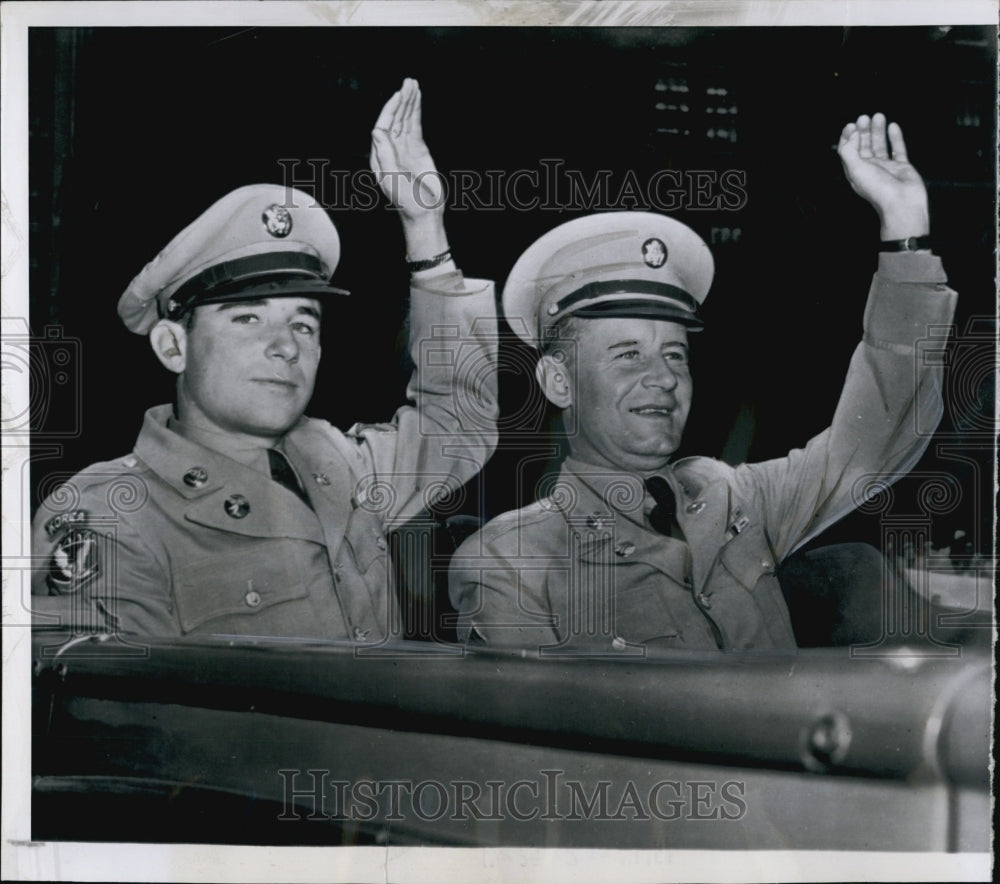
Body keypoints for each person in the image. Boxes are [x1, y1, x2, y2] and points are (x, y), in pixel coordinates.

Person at [449, 113, 957, 652]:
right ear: (558, 381)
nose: (664, 377)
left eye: (675, 353)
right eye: (627, 355)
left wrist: (905, 229)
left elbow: (873, 438)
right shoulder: (510, 563)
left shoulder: (734, 496)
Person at [32, 79, 498, 642]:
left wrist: (426, 232)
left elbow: (458, 427)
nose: (285, 345)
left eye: (303, 322)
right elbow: (119, 718)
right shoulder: (111, 515)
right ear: (172, 347)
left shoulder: (339, 465)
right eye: (247, 318)